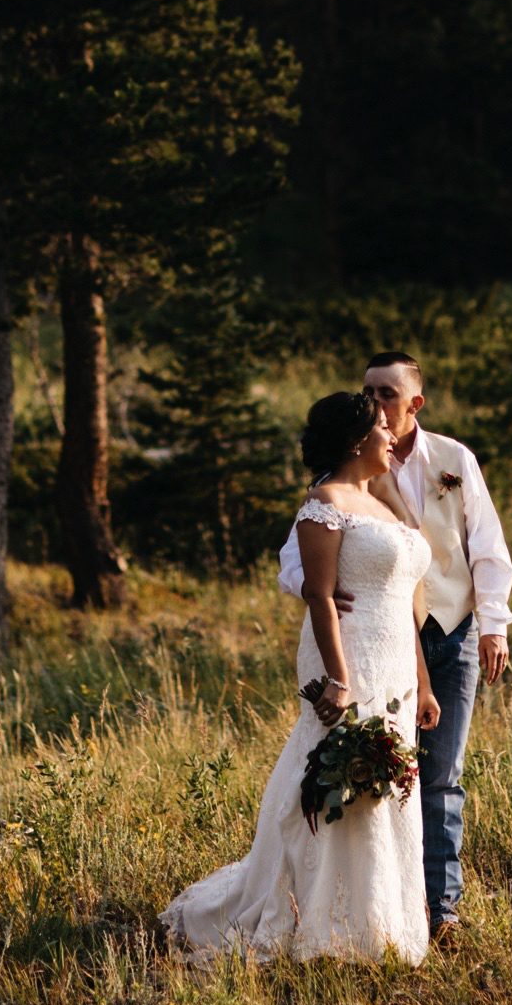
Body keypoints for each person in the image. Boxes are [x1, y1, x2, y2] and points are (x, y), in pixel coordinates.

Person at [162, 390, 440, 963]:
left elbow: (403, 605)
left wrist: (425, 682)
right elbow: (318, 595)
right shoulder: (324, 502)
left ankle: (380, 922)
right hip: (348, 654)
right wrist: (338, 678)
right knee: (336, 775)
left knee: (386, 785)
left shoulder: (383, 503)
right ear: (360, 439)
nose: (395, 438)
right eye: (386, 431)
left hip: (396, 664)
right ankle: (312, 918)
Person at [277, 351, 512, 940]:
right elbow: (298, 561)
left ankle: (439, 909)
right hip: (372, 643)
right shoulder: (350, 477)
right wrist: (321, 592)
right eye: (369, 393)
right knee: (369, 771)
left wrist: (493, 623)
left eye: (387, 392)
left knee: (439, 774)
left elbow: (485, 543)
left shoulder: (452, 460)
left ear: (415, 401)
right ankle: (346, 904)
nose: (377, 402)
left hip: (449, 632)